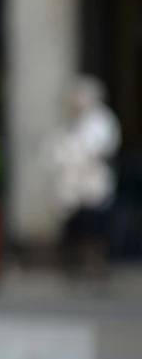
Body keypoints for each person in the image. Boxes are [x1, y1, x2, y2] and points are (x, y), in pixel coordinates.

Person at [49, 75, 121, 286]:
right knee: (76, 227)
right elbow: (58, 150)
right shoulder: (74, 122)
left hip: (93, 185)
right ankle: (76, 268)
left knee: (94, 228)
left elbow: (96, 148)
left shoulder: (102, 120)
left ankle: (94, 268)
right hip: (73, 187)